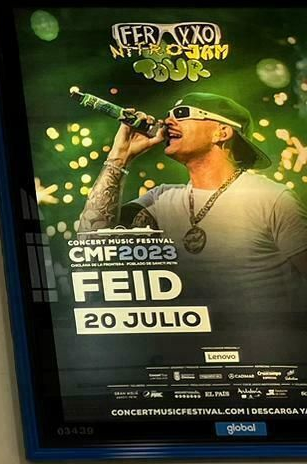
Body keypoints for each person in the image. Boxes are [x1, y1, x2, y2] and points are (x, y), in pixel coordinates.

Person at [78, 92, 307, 310]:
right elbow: (92, 244)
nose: (167, 121)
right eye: (168, 114)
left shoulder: (271, 198)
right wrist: (120, 156)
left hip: (265, 346)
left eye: (181, 113)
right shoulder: (160, 200)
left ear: (222, 132)